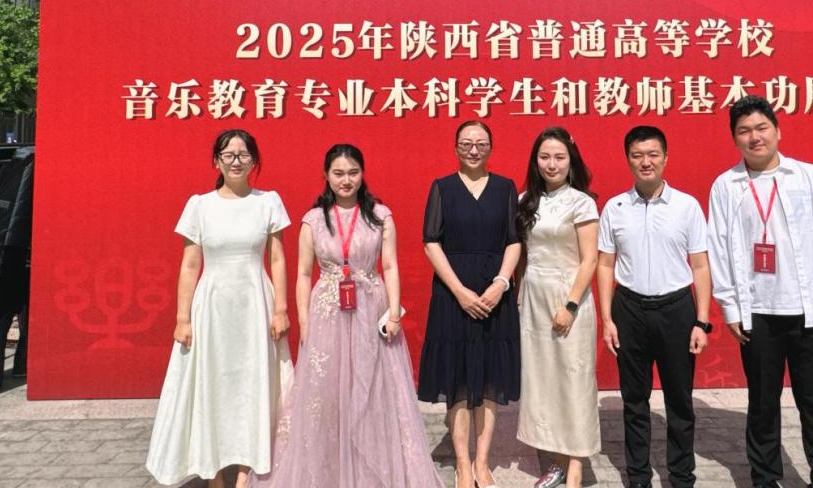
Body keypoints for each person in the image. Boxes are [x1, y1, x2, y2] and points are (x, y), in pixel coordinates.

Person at [250, 144, 442, 488]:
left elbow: (390, 266)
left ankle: (372, 469)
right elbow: (303, 274)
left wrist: (394, 312)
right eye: (338, 173)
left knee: (373, 390)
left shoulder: (380, 215)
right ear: (326, 175)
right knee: (328, 395)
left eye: (353, 173)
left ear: (362, 174)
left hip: (371, 308)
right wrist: (305, 321)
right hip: (327, 312)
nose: (346, 180)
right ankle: (330, 471)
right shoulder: (313, 220)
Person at [706, 95, 813, 488]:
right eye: (744, 131)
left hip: (810, 311)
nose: (755, 137)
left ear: (777, 130)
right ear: (735, 139)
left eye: (761, 128)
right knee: (762, 404)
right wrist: (730, 308)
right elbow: (718, 248)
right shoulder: (727, 186)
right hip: (758, 314)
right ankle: (765, 477)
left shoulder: (810, 178)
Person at [146, 129, 293, 488]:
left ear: (254, 160)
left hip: (255, 305)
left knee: (252, 385)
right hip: (211, 308)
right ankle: (213, 471)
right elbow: (190, 264)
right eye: (228, 154)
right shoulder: (199, 205)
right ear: (216, 161)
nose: (236, 161)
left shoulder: (268, 202)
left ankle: (246, 470)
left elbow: (277, 258)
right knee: (212, 385)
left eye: (243, 154)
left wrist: (281, 309)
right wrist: (182, 318)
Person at [596, 125, 713, 488]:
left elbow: (700, 265)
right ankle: (638, 477)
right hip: (629, 309)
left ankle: (681, 476)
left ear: (665, 158)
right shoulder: (615, 208)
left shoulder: (687, 206)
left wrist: (702, 321)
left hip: (677, 310)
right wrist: (607, 319)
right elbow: (604, 264)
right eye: (637, 155)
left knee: (680, 401)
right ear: (628, 159)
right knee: (634, 401)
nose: (645, 162)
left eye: (652, 154)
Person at [417, 121, 522, 488]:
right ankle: (462, 463)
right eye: (466, 143)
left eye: (480, 143)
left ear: (490, 147)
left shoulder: (505, 188)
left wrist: (501, 283)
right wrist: (460, 291)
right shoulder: (442, 188)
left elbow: (514, 240)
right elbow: (431, 241)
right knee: (459, 379)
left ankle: (482, 461)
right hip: (453, 296)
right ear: (455, 147)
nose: (473, 149)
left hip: (496, 296)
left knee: (490, 380)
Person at [515, 127, 600, 488]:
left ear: (571, 161)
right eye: (545, 157)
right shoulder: (525, 201)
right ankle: (555, 462)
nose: (552, 164)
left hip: (569, 298)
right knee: (543, 384)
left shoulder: (582, 202)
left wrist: (570, 305)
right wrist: (519, 296)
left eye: (559, 157)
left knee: (574, 382)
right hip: (533, 301)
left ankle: (576, 465)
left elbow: (590, 259)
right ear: (536, 161)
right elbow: (522, 256)